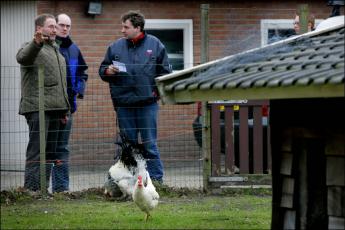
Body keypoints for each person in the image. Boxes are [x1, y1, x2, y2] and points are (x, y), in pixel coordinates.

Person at [99, 10, 172, 183]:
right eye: (122, 27)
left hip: (148, 104)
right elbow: (102, 70)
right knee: (128, 145)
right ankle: (128, 182)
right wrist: (108, 71)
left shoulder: (155, 45)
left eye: (126, 27)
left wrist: (155, 93)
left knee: (150, 144)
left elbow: (166, 73)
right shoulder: (115, 47)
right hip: (124, 105)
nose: (122, 30)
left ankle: (156, 181)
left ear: (138, 27)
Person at [16, 14, 70, 192]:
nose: (55, 30)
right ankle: (32, 190)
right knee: (37, 151)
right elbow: (23, 58)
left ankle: (43, 190)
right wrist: (36, 43)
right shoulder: (31, 47)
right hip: (37, 108)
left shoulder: (56, 50)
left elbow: (61, 85)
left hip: (56, 109)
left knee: (50, 153)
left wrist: (65, 110)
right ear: (39, 28)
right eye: (51, 26)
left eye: (56, 27)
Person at [53, 13, 88, 192]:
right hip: (49, 108)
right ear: (54, 25)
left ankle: (61, 189)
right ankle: (36, 190)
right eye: (61, 25)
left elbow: (83, 72)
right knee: (45, 150)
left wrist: (78, 90)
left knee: (62, 149)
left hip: (68, 108)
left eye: (68, 26)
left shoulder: (74, 49)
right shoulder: (49, 47)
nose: (65, 28)